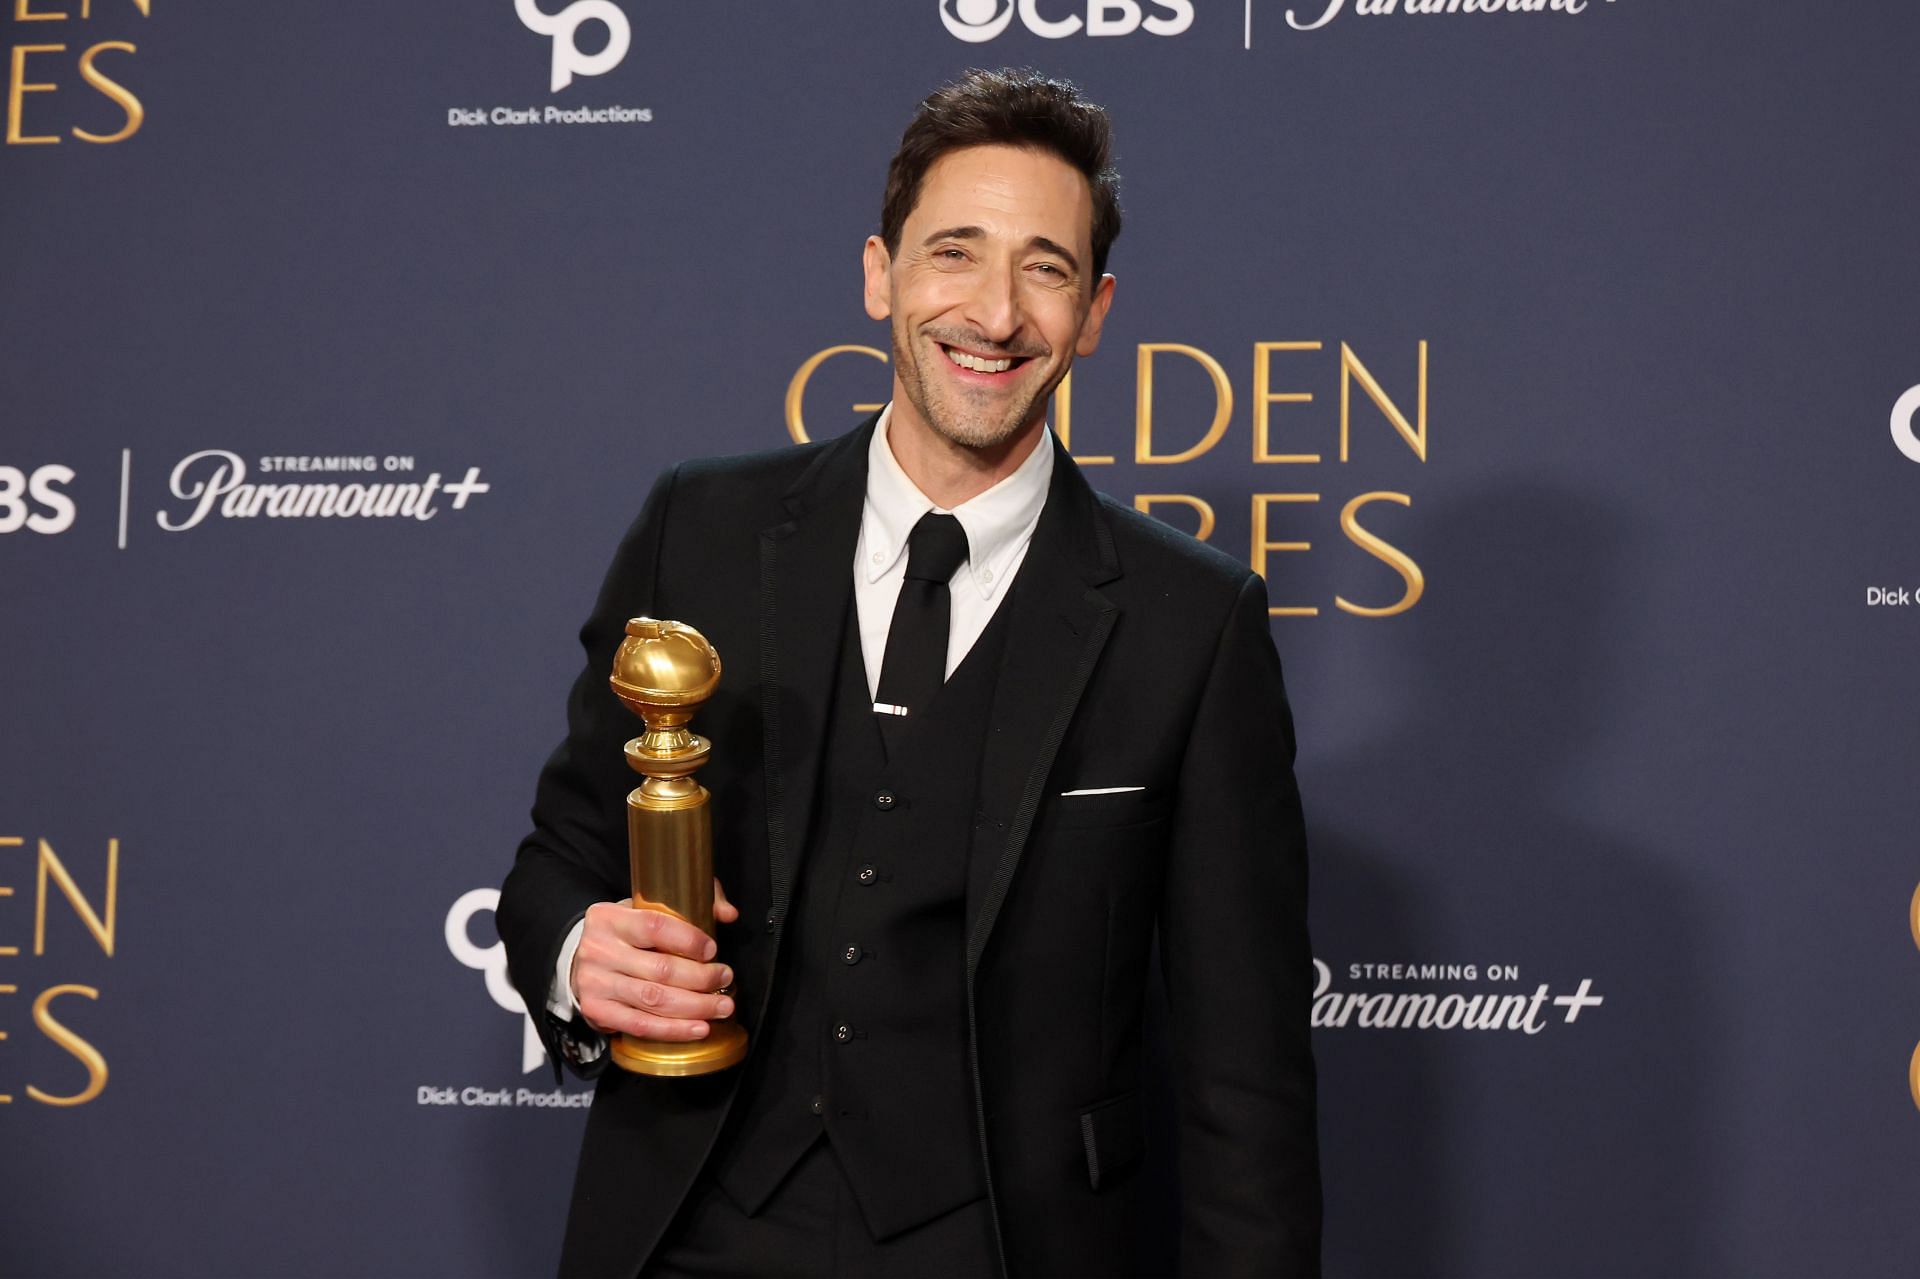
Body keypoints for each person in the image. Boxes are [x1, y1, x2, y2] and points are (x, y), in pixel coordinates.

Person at [498, 67, 1321, 1279]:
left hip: (1008, 1243)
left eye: (1043, 267)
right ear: (881, 274)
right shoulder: (702, 528)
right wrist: (579, 951)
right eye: (955, 252)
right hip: (694, 1223)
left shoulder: (1190, 622)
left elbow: (1243, 1081)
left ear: (1094, 312)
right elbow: (559, 860)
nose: (994, 313)